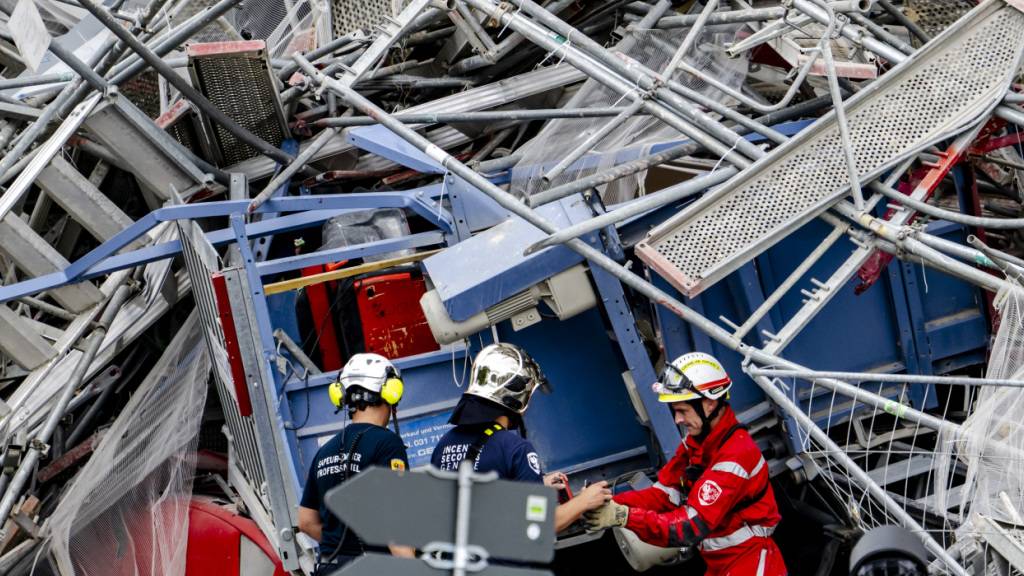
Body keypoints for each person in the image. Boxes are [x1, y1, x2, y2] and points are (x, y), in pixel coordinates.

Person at [583, 352, 786, 576]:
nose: (678, 420)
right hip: (725, 563)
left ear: (709, 404)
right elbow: (662, 495)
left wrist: (623, 516)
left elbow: (688, 527)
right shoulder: (698, 443)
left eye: (682, 410)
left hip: (749, 562)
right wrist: (607, 502)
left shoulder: (735, 456)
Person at [431, 343, 611, 531]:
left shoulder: (444, 445)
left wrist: (533, 482)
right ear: (517, 395)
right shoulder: (515, 448)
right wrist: (583, 501)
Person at [298, 353, 414, 574]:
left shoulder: (325, 451)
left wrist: (342, 545)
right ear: (391, 391)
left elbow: (305, 522)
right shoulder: (387, 444)